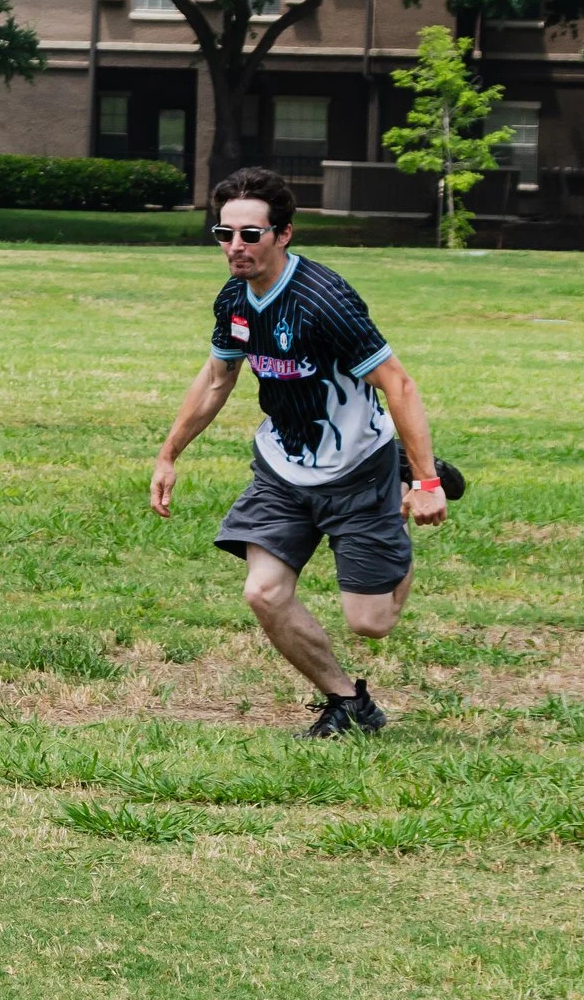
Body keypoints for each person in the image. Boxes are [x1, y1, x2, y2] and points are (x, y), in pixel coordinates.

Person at [149, 166, 456, 737]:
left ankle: (407, 488)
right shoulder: (234, 302)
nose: (235, 247)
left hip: (358, 468)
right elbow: (218, 378)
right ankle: (349, 703)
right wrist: (169, 454)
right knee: (263, 593)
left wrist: (427, 482)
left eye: (250, 234)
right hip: (284, 467)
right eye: (225, 234)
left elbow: (398, 383)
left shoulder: (324, 299)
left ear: (283, 234)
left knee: (371, 622)